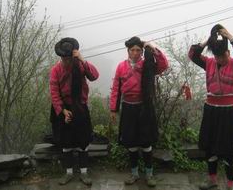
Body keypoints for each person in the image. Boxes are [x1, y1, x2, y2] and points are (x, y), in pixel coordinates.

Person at [188, 24, 233, 190]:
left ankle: (230, 184)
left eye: (222, 56)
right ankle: (212, 180)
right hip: (211, 111)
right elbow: (192, 55)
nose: (220, 59)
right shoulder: (209, 63)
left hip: (228, 113)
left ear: (228, 53)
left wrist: (229, 36)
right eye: (217, 56)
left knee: (229, 151)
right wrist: (207, 41)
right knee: (210, 148)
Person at [110, 36, 168, 187]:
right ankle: (134, 174)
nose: (135, 53)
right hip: (128, 108)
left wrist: (153, 48)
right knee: (131, 143)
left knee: (146, 143)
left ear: (141, 52)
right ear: (128, 51)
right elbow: (116, 88)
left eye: (138, 50)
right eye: (132, 50)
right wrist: (113, 109)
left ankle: (149, 175)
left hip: (144, 108)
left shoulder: (147, 65)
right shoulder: (121, 67)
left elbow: (163, 65)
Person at [49, 37, 99, 186]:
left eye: (69, 58)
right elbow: (54, 93)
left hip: (80, 107)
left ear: (73, 55)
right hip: (64, 108)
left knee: (83, 140)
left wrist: (82, 59)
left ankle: (84, 173)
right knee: (66, 142)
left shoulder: (80, 65)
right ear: (61, 57)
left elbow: (95, 76)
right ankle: (68, 173)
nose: (66, 61)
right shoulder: (55, 70)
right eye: (64, 58)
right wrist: (63, 111)